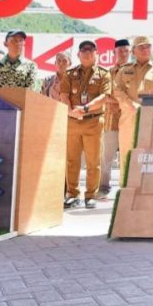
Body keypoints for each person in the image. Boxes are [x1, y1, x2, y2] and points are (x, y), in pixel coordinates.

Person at [59, 40, 111, 209]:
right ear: (78, 54)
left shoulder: (104, 74)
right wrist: (70, 110)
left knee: (93, 161)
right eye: (84, 50)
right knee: (71, 160)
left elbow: (104, 96)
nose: (87, 53)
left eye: (91, 50)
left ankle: (90, 195)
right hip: (73, 121)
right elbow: (64, 94)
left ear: (96, 54)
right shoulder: (70, 73)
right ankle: (72, 194)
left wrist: (86, 108)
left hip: (94, 121)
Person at [112, 36, 153, 184]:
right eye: (141, 47)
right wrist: (131, 105)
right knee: (127, 154)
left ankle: (148, 189)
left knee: (150, 153)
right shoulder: (124, 70)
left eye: (148, 46)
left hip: (151, 118)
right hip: (128, 118)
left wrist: (146, 108)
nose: (145, 50)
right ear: (133, 51)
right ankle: (125, 188)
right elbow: (117, 90)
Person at [99, 38, 131, 199]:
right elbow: (105, 96)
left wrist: (123, 101)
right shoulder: (108, 72)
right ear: (114, 53)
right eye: (120, 51)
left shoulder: (135, 71)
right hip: (111, 118)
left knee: (130, 155)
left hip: (130, 119)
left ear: (130, 52)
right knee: (107, 156)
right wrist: (125, 101)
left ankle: (127, 187)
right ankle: (103, 187)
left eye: (126, 51)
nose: (124, 54)